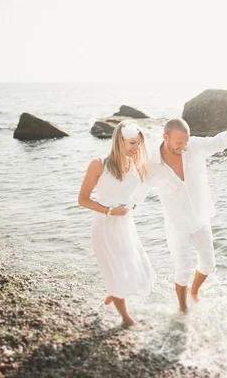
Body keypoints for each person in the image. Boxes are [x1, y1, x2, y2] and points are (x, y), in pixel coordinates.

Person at [132, 115, 227, 314]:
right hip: (177, 225)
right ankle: (183, 309)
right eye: (179, 143)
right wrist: (114, 216)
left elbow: (224, 140)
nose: (183, 147)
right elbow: (136, 197)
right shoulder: (151, 165)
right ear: (165, 137)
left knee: (208, 264)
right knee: (183, 268)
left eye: (185, 142)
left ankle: (194, 292)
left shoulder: (194, 147)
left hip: (201, 218)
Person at [78, 120, 154, 326]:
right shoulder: (98, 165)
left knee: (139, 268)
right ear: (119, 141)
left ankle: (114, 292)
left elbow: (140, 192)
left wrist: (131, 208)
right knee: (116, 271)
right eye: (132, 143)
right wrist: (110, 211)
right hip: (104, 227)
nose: (136, 148)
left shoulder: (135, 165)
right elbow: (82, 199)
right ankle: (126, 319)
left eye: (138, 143)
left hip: (126, 225)